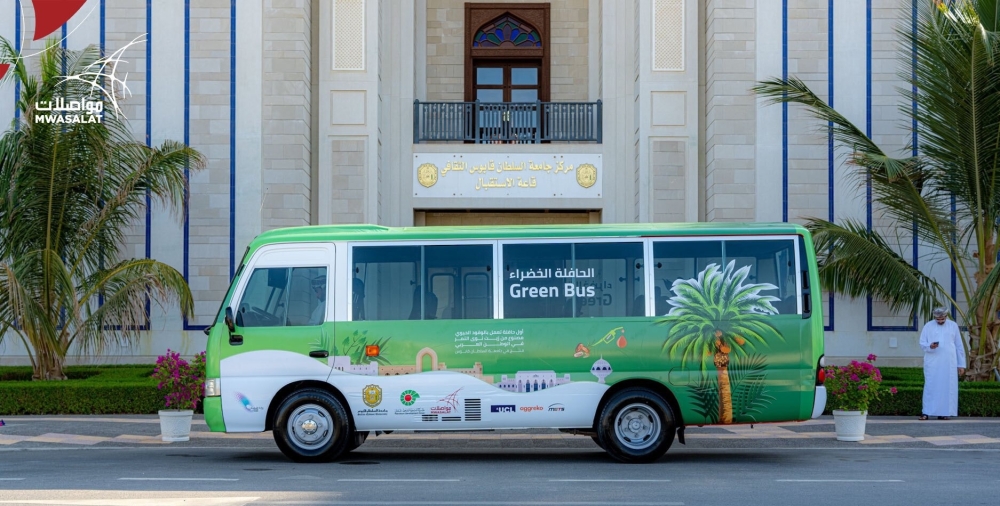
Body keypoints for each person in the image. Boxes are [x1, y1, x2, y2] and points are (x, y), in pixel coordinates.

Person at [918, 307, 966, 420]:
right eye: (938, 319)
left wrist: (961, 364)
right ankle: (926, 412)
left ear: (946, 316)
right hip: (932, 362)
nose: (940, 321)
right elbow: (922, 343)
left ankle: (945, 413)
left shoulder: (953, 325)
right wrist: (930, 346)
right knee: (930, 386)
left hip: (949, 363)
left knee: (948, 386)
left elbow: (959, 346)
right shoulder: (928, 326)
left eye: (942, 319)